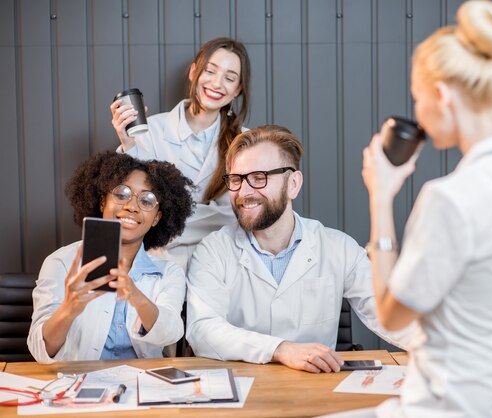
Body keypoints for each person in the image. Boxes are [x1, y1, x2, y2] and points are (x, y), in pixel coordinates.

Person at [325, 1, 492, 417]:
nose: (419, 112)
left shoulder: (449, 197)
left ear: (441, 96)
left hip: (450, 404)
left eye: (418, 98)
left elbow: (393, 315)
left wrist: (381, 197)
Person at [186, 125, 413, 373]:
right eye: (236, 179)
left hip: (315, 389)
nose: (244, 192)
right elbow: (202, 329)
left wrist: (444, 347)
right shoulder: (213, 251)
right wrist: (281, 349)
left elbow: (387, 316)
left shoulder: (338, 248)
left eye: (259, 177)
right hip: (243, 390)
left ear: (293, 184)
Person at [28, 151, 194, 364]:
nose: (132, 206)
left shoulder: (169, 272)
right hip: (80, 384)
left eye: (147, 200)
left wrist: (136, 296)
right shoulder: (60, 263)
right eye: (122, 194)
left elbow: (170, 332)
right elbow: (40, 351)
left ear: (156, 218)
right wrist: (69, 309)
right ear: (102, 202)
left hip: (144, 386)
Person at [110, 37, 251, 271]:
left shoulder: (245, 141)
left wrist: (166, 218)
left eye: (229, 78)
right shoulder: (150, 131)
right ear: (194, 72)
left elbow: (234, 216)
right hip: (157, 264)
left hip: (222, 265)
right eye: (210, 71)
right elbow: (132, 206)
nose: (217, 83)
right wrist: (127, 143)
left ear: (237, 90)